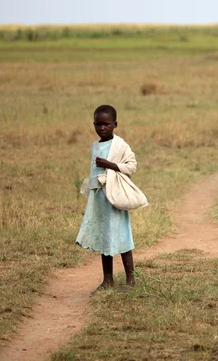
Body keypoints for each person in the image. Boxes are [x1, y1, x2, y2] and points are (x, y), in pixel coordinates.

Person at [76, 105, 141, 293]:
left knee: (122, 237)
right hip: (100, 200)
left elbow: (131, 166)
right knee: (105, 238)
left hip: (116, 199)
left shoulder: (120, 145)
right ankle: (108, 280)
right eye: (98, 124)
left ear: (115, 124)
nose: (102, 128)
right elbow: (94, 172)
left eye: (106, 124)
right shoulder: (95, 146)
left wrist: (110, 165)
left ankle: (131, 280)